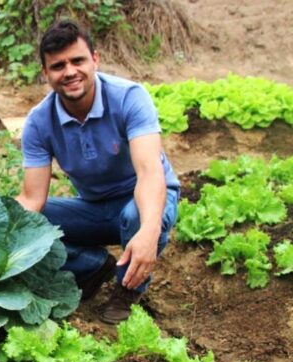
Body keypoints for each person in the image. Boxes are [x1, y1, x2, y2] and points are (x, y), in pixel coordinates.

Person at [15, 20, 180, 324]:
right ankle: (91, 266)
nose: (69, 72)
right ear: (46, 73)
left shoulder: (129, 97)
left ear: (95, 59)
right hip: (95, 208)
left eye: (78, 60)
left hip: (145, 198)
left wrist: (149, 231)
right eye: (58, 65)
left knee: (137, 217)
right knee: (30, 223)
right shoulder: (39, 122)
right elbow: (32, 199)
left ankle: (128, 291)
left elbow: (150, 174)